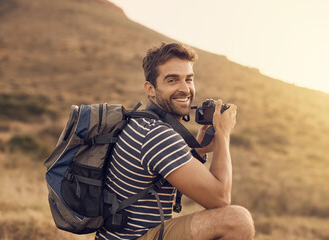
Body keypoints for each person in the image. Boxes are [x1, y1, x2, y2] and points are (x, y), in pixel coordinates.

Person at [96, 42, 254, 240]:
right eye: (172, 80)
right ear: (150, 89)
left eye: (189, 79)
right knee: (238, 220)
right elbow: (220, 198)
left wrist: (199, 152)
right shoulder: (157, 135)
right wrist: (223, 133)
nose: (185, 89)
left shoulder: (140, 121)